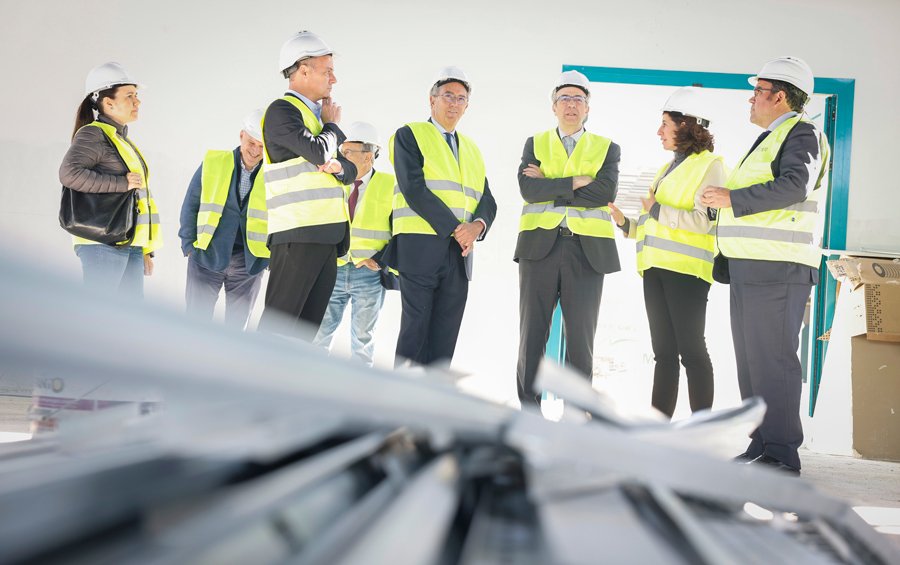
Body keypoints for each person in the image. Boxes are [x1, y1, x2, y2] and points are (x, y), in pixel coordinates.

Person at [701, 57, 830, 476]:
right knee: (753, 362)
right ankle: (761, 444)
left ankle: (781, 454)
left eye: (757, 91)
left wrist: (731, 199)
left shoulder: (803, 133)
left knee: (773, 361)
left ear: (779, 96)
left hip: (779, 269)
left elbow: (795, 185)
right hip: (751, 268)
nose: (751, 98)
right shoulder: (773, 137)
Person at [608, 87, 723, 419]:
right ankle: (658, 428)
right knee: (664, 355)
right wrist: (626, 224)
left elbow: (705, 223)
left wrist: (658, 210)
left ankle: (703, 428)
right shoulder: (667, 168)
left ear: (686, 125)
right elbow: (652, 222)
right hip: (655, 270)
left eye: (665, 124)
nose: (659, 132)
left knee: (692, 353)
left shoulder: (710, 166)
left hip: (687, 273)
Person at [515, 71, 620, 407]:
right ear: (554, 107)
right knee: (532, 336)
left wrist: (552, 182)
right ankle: (528, 414)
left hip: (587, 251)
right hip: (539, 249)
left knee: (581, 341)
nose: (571, 104)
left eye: (578, 99)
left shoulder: (607, 148)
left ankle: (577, 417)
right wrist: (577, 181)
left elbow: (604, 193)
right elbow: (528, 190)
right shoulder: (535, 143)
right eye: (565, 99)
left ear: (587, 108)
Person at [384, 66, 497, 368]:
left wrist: (477, 227)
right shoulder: (409, 135)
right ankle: (400, 409)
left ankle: (433, 411)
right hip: (419, 250)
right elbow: (413, 188)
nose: (454, 104)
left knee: (445, 339)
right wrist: (456, 228)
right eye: (448, 96)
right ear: (432, 100)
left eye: (461, 99)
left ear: (466, 107)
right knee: (415, 334)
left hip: (459, 257)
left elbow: (487, 198)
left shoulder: (472, 149)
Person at [256, 31, 357, 340]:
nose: (334, 79)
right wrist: (333, 127)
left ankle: (284, 388)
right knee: (277, 331)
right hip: (297, 235)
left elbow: (350, 170)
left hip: (326, 236)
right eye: (327, 71)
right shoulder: (282, 112)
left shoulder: (315, 121)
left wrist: (337, 164)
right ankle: (251, 387)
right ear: (302, 70)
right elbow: (319, 152)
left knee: (302, 337)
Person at [60, 62, 162, 298]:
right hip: (103, 242)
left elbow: (139, 199)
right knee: (98, 319)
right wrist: (122, 183)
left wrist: (145, 249)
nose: (137, 101)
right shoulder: (93, 134)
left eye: (136, 95)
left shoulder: (119, 139)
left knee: (127, 322)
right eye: (130, 95)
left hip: (128, 242)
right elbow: (69, 173)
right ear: (108, 103)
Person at [313, 122, 398, 366]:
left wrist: (380, 261)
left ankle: (359, 398)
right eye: (341, 151)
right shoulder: (332, 181)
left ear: (369, 156)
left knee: (363, 342)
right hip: (333, 270)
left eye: (348, 152)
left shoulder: (391, 185)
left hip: (368, 274)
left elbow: (401, 230)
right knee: (318, 337)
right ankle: (310, 391)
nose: (342, 156)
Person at [178, 110, 270, 330]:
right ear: (241, 136)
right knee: (195, 324)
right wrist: (188, 245)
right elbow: (191, 203)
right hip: (207, 255)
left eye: (261, 146)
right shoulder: (214, 162)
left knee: (237, 330)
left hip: (249, 262)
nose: (255, 150)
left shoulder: (273, 174)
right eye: (251, 143)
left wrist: (269, 259)